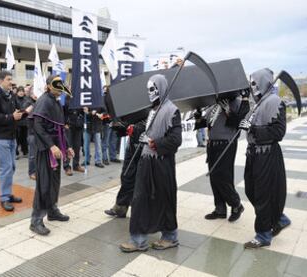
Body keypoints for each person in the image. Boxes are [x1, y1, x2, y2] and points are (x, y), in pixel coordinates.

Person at [120, 74, 182, 252]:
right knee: (140, 199)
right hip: (146, 162)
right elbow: (150, 130)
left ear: (161, 88)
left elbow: (175, 140)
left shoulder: (172, 110)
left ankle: (170, 237)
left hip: (162, 163)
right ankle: (138, 240)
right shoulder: (153, 110)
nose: (149, 93)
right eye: (148, 90)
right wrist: (139, 133)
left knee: (165, 198)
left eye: (152, 89)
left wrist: (154, 143)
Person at [239, 68, 291, 249]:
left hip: (267, 154)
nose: (252, 87)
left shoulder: (275, 102)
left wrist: (252, 129)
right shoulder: (258, 103)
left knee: (262, 195)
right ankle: (279, 218)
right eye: (250, 83)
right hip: (253, 153)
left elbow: (278, 131)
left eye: (254, 83)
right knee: (251, 190)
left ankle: (263, 235)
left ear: (263, 82)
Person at [194, 91, 249, 222]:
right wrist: (198, 117)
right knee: (214, 177)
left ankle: (236, 205)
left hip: (226, 144)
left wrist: (228, 110)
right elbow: (206, 123)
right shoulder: (214, 104)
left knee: (222, 177)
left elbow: (238, 122)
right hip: (212, 144)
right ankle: (220, 209)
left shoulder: (235, 102)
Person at [30, 75, 74, 236]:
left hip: (56, 149)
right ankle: (36, 221)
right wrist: (51, 145)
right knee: (44, 184)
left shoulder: (56, 102)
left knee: (54, 182)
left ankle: (52, 210)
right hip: (45, 150)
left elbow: (61, 129)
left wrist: (67, 147)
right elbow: (38, 126)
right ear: (49, 86)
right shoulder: (43, 101)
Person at [0, 71, 28, 211]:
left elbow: (16, 114)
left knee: (12, 167)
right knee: (6, 167)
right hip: (0, 138)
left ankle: (8, 194)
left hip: (11, 137)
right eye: (8, 79)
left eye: (11, 79)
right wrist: (11, 117)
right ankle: (4, 197)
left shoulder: (11, 96)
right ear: (0, 81)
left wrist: (26, 112)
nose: (11, 82)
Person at [104, 118, 146, 218]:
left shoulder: (154, 108)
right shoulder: (133, 107)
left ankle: (143, 210)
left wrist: (135, 128)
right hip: (132, 147)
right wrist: (119, 126)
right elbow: (126, 125)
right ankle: (121, 207)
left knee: (144, 181)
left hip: (146, 150)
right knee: (126, 176)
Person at [101, 85, 120, 165]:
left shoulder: (114, 96)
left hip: (114, 121)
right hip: (109, 121)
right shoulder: (106, 97)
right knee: (107, 141)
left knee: (112, 141)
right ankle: (106, 158)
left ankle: (112, 157)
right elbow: (104, 109)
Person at [15, 86, 32, 159]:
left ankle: (25, 151)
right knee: (17, 137)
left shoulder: (27, 99)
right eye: (19, 91)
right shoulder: (14, 99)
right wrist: (23, 110)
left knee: (24, 137)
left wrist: (23, 111)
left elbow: (28, 109)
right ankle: (16, 153)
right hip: (17, 121)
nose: (21, 92)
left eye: (22, 91)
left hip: (25, 121)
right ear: (17, 92)